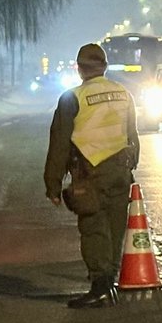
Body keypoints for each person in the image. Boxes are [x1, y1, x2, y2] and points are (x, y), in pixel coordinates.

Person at [43, 43, 140, 308]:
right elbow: (133, 134)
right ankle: (110, 283)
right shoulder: (123, 93)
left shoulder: (72, 98)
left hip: (91, 174)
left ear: (80, 69)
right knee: (115, 227)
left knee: (94, 229)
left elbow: (60, 144)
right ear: (105, 67)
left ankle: (100, 287)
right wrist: (130, 166)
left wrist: (53, 185)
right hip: (120, 171)